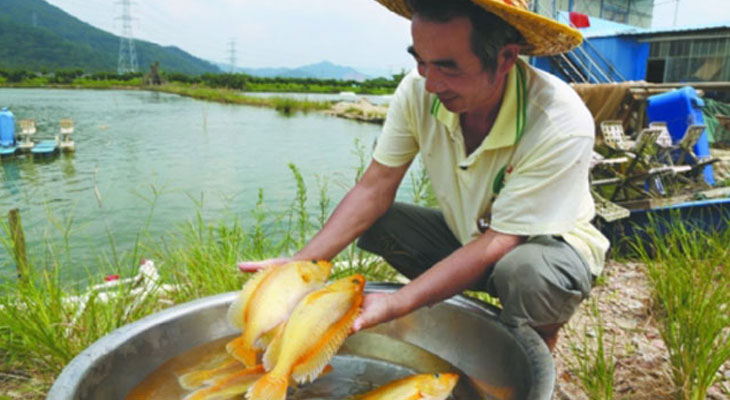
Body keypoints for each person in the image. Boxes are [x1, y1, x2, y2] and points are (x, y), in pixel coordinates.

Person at [239, 0, 609, 351]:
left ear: (506, 57)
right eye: (421, 62)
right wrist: (299, 267)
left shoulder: (558, 122)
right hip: (471, 236)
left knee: (525, 272)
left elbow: (502, 242)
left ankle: (533, 349)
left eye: (449, 68)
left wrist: (397, 303)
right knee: (375, 221)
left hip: (547, 249)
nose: (431, 84)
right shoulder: (418, 91)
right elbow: (374, 188)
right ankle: (459, 303)